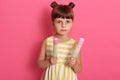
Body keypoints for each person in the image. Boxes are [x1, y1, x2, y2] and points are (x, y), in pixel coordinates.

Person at [38, 1, 82, 80]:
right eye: (59, 22)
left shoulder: (74, 44)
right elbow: (39, 63)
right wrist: (49, 62)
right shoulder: (47, 42)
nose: (63, 25)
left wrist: (74, 64)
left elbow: (79, 69)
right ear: (53, 23)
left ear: (72, 23)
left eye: (67, 22)